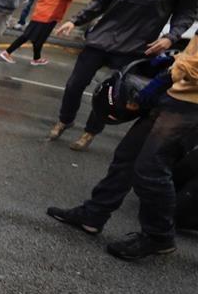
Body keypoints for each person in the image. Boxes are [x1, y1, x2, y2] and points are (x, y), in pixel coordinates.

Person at [47, 37, 198, 260]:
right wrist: (171, 61)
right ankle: (94, 214)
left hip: (190, 105)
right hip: (175, 93)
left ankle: (159, 236)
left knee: (151, 170)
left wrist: (166, 77)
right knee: (126, 157)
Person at [48, 0, 198, 151]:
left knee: (111, 94)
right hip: (102, 37)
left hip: (135, 45)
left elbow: (186, 13)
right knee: (75, 84)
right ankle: (65, 120)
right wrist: (75, 20)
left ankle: (90, 132)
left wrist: (171, 37)